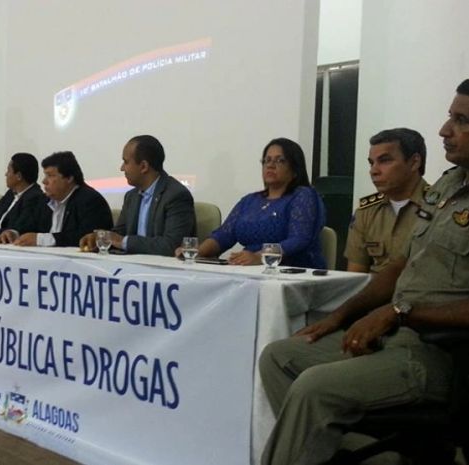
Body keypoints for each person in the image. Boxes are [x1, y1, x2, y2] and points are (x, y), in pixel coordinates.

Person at [258, 79, 469, 465]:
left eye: (461, 121)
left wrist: (398, 313)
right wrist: (339, 316)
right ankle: (363, 455)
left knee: (314, 388)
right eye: (449, 117)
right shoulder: (450, 185)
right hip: (396, 332)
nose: (444, 130)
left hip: (440, 352)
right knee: (278, 356)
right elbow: (401, 264)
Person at [180, 138, 325, 268]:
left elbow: (299, 239)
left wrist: (260, 257)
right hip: (251, 270)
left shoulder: (303, 196)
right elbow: (224, 235)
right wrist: (196, 252)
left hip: (291, 271)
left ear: (295, 170)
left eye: (280, 160)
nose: (270, 165)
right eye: (267, 160)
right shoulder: (250, 200)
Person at [79, 135, 195, 256]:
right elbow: (118, 235)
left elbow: (171, 245)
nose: (122, 168)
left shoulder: (176, 195)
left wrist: (123, 241)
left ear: (143, 166)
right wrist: (100, 239)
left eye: (126, 162)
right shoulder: (131, 196)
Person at [345, 128, 429, 273]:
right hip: (374, 287)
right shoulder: (366, 211)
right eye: (371, 163)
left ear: (414, 162)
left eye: (384, 161)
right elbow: (355, 275)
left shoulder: (439, 208)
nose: (374, 171)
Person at [0, 151, 113, 247]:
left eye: (50, 175)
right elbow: (29, 225)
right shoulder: (44, 200)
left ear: (69, 178)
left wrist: (41, 239)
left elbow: (87, 238)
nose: (44, 181)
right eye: (45, 175)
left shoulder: (91, 201)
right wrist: (14, 233)